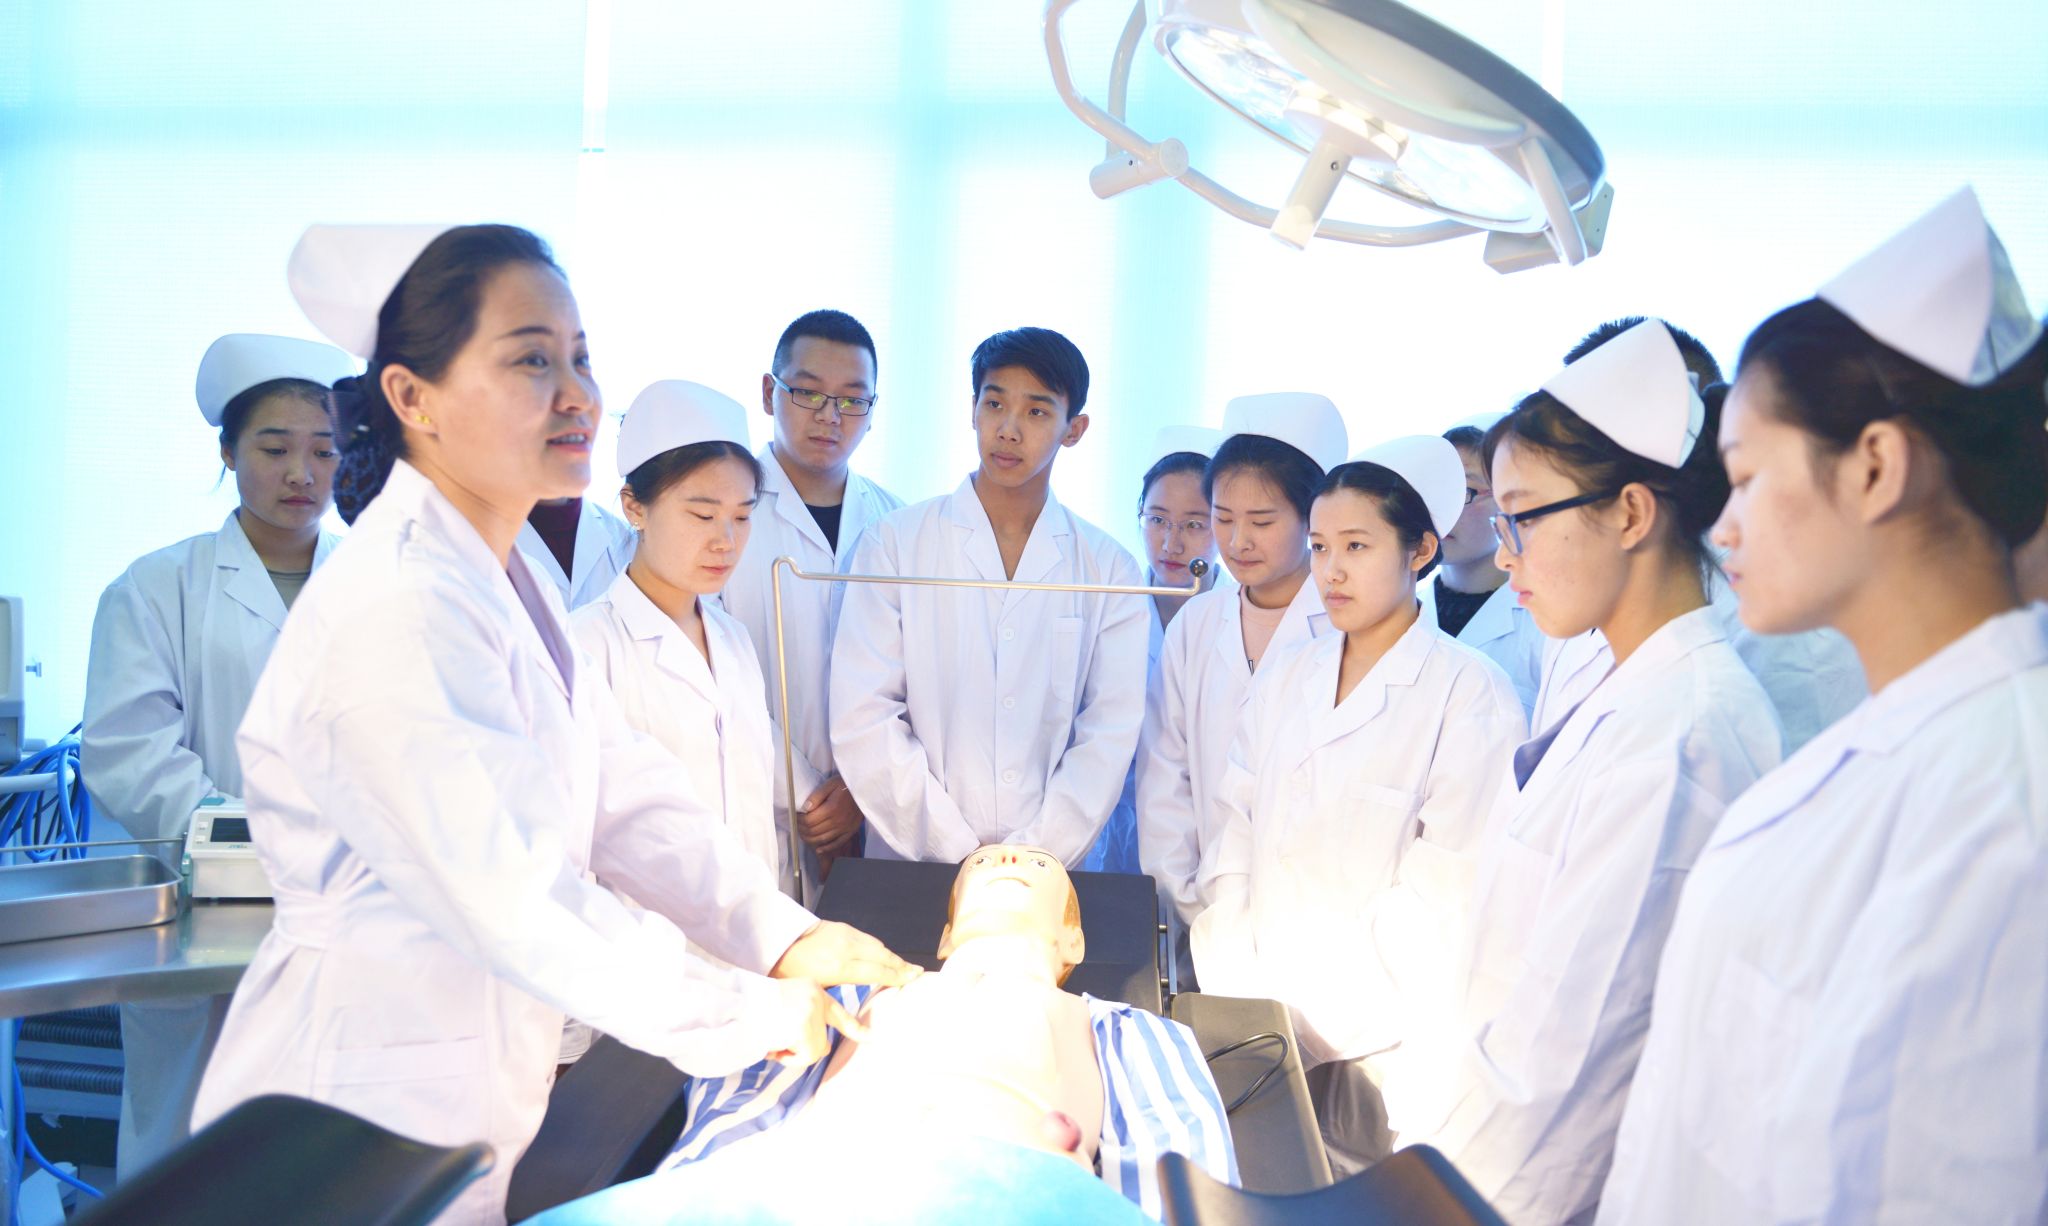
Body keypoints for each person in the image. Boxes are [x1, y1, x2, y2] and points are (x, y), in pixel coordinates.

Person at [190, 223, 916, 1226]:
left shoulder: (506, 579)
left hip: (458, 1100)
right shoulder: (395, 604)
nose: (577, 393)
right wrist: (749, 1009)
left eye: (580, 356)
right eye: (531, 359)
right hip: (347, 1113)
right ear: (412, 398)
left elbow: (625, 797)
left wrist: (786, 937)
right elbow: (517, 896)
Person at [1601, 188, 2048, 1224]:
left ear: (1875, 466)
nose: (1723, 527)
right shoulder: (1909, 748)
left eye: (1746, 477)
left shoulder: (2004, 812)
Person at [1382, 321, 1783, 1224]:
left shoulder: (1685, 732)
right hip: (1489, 1152)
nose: (1504, 551)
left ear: (1631, 515)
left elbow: (1573, 1061)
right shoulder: (1627, 684)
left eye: (1522, 516)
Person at [534, 845, 1237, 1225]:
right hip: (809, 1188)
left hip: (1011, 1193)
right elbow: (738, 1115)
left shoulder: (1125, 1030)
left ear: (1073, 940)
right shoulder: (837, 1001)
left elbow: (1184, 1164)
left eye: (1037, 863)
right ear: (946, 934)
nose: (1008, 861)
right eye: (985, 862)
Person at [1190, 435, 1525, 1174]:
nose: (1331, 570)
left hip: (1385, 1050)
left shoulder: (1470, 695)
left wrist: (1304, 1026)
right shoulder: (1289, 676)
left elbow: (1445, 898)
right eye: (1319, 547)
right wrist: (1246, 998)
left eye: (1356, 546)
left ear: (1420, 550)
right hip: (1255, 1026)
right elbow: (1234, 833)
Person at [81, 332, 355, 1179]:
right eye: (274, 448)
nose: (301, 473)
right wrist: (246, 839)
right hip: (205, 919)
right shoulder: (156, 586)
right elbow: (130, 751)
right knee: (188, 1146)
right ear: (228, 452)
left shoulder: (378, 585)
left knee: (320, 1151)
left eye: (324, 450)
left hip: (348, 911)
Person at [829, 327, 1148, 866]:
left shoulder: (1110, 569)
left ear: (1074, 430)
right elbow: (865, 713)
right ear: (972, 410)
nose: (1008, 429)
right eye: (995, 403)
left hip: (1052, 872)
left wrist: (1029, 858)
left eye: (1037, 412)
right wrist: (955, 850)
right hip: (915, 863)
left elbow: (1108, 734)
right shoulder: (895, 543)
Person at [1536, 320, 1868, 750]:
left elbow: (1795, 755)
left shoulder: (1780, 591)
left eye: (1583, 437)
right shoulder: (1584, 584)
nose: (1571, 458)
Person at [1135, 394, 1345, 927]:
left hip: (1314, 919)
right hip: (1196, 913)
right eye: (1223, 518)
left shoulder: (1344, 625)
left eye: (1262, 521)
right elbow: (1165, 777)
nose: (1238, 541)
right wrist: (1187, 904)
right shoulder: (1197, 623)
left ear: (1312, 518)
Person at [716, 310, 904, 898]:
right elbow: (707, 672)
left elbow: (920, 680)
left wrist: (858, 790)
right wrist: (804, 794)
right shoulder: (720, 513)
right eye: (808, 392)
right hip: (752, 806)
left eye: (852, 400)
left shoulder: (900, 524)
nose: (830, 416)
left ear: (872, 410)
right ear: (768, 392)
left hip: (875, 814)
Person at [573, 380, 785, 889]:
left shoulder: (733, 641)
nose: (726, 540)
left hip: (757, 927)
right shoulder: (586, 646)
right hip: (644, 932)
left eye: (742, 516)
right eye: (703, 515)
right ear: (634, 507)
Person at [1083, 425, 1225, 876]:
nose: (1171, 543)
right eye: (1158, 519)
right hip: (1105, 823)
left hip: (1208, 830)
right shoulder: (1106, 604)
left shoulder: (1241, 618)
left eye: (1194, 524)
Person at [1419, 418, 1547, 715]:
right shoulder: (1403, 612)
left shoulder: (1544, 627)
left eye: (1465, 491)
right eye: (1434, 490)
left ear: (1511, 500)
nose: (1441, 509)